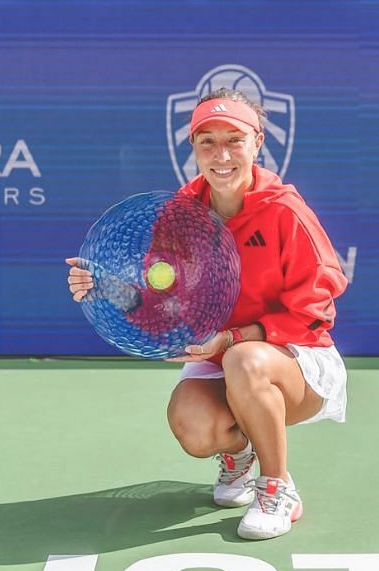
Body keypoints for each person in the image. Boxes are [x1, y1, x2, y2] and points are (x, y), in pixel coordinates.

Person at [65, 88, 349, 540]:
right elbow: (162, 303)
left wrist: (237, 338)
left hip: (295, 360)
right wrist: (109, 292)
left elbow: (316, 313)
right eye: (207, 141)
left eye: (234, 139)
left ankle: (277, 488)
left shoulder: (285, 212)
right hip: (221, 357)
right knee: (194, 429)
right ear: (194, 149)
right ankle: (238, 452)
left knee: (245, 360)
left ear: (256, 143)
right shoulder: (181, 216)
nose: (222, 154)